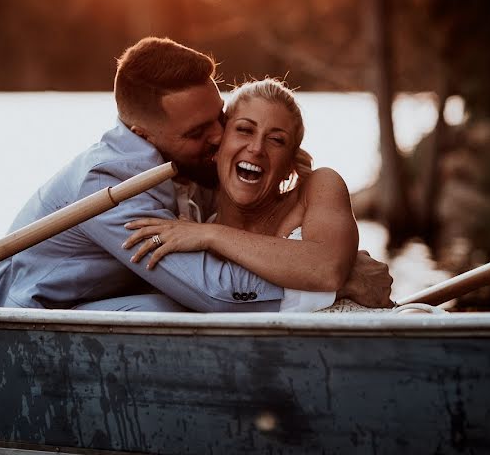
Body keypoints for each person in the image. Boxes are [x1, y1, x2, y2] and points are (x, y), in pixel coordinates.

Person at [0, 37, 392, 312]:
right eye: (197, 131)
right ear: (143, 134)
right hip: (20, 322)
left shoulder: (198, 164)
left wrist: (320, 263)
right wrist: (337, 280)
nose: (219, 138)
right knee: (170, 307)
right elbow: (215, 292)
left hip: (100, 307)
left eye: (219, 118)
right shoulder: (107, 185)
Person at [124, 77, 392, 311]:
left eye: (276, 140)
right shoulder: (192, 237)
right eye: (244, 129)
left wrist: (211, 235)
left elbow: (327, 270)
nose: (256, 148)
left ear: (289, 165)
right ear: (218, 146)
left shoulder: (319, 187)